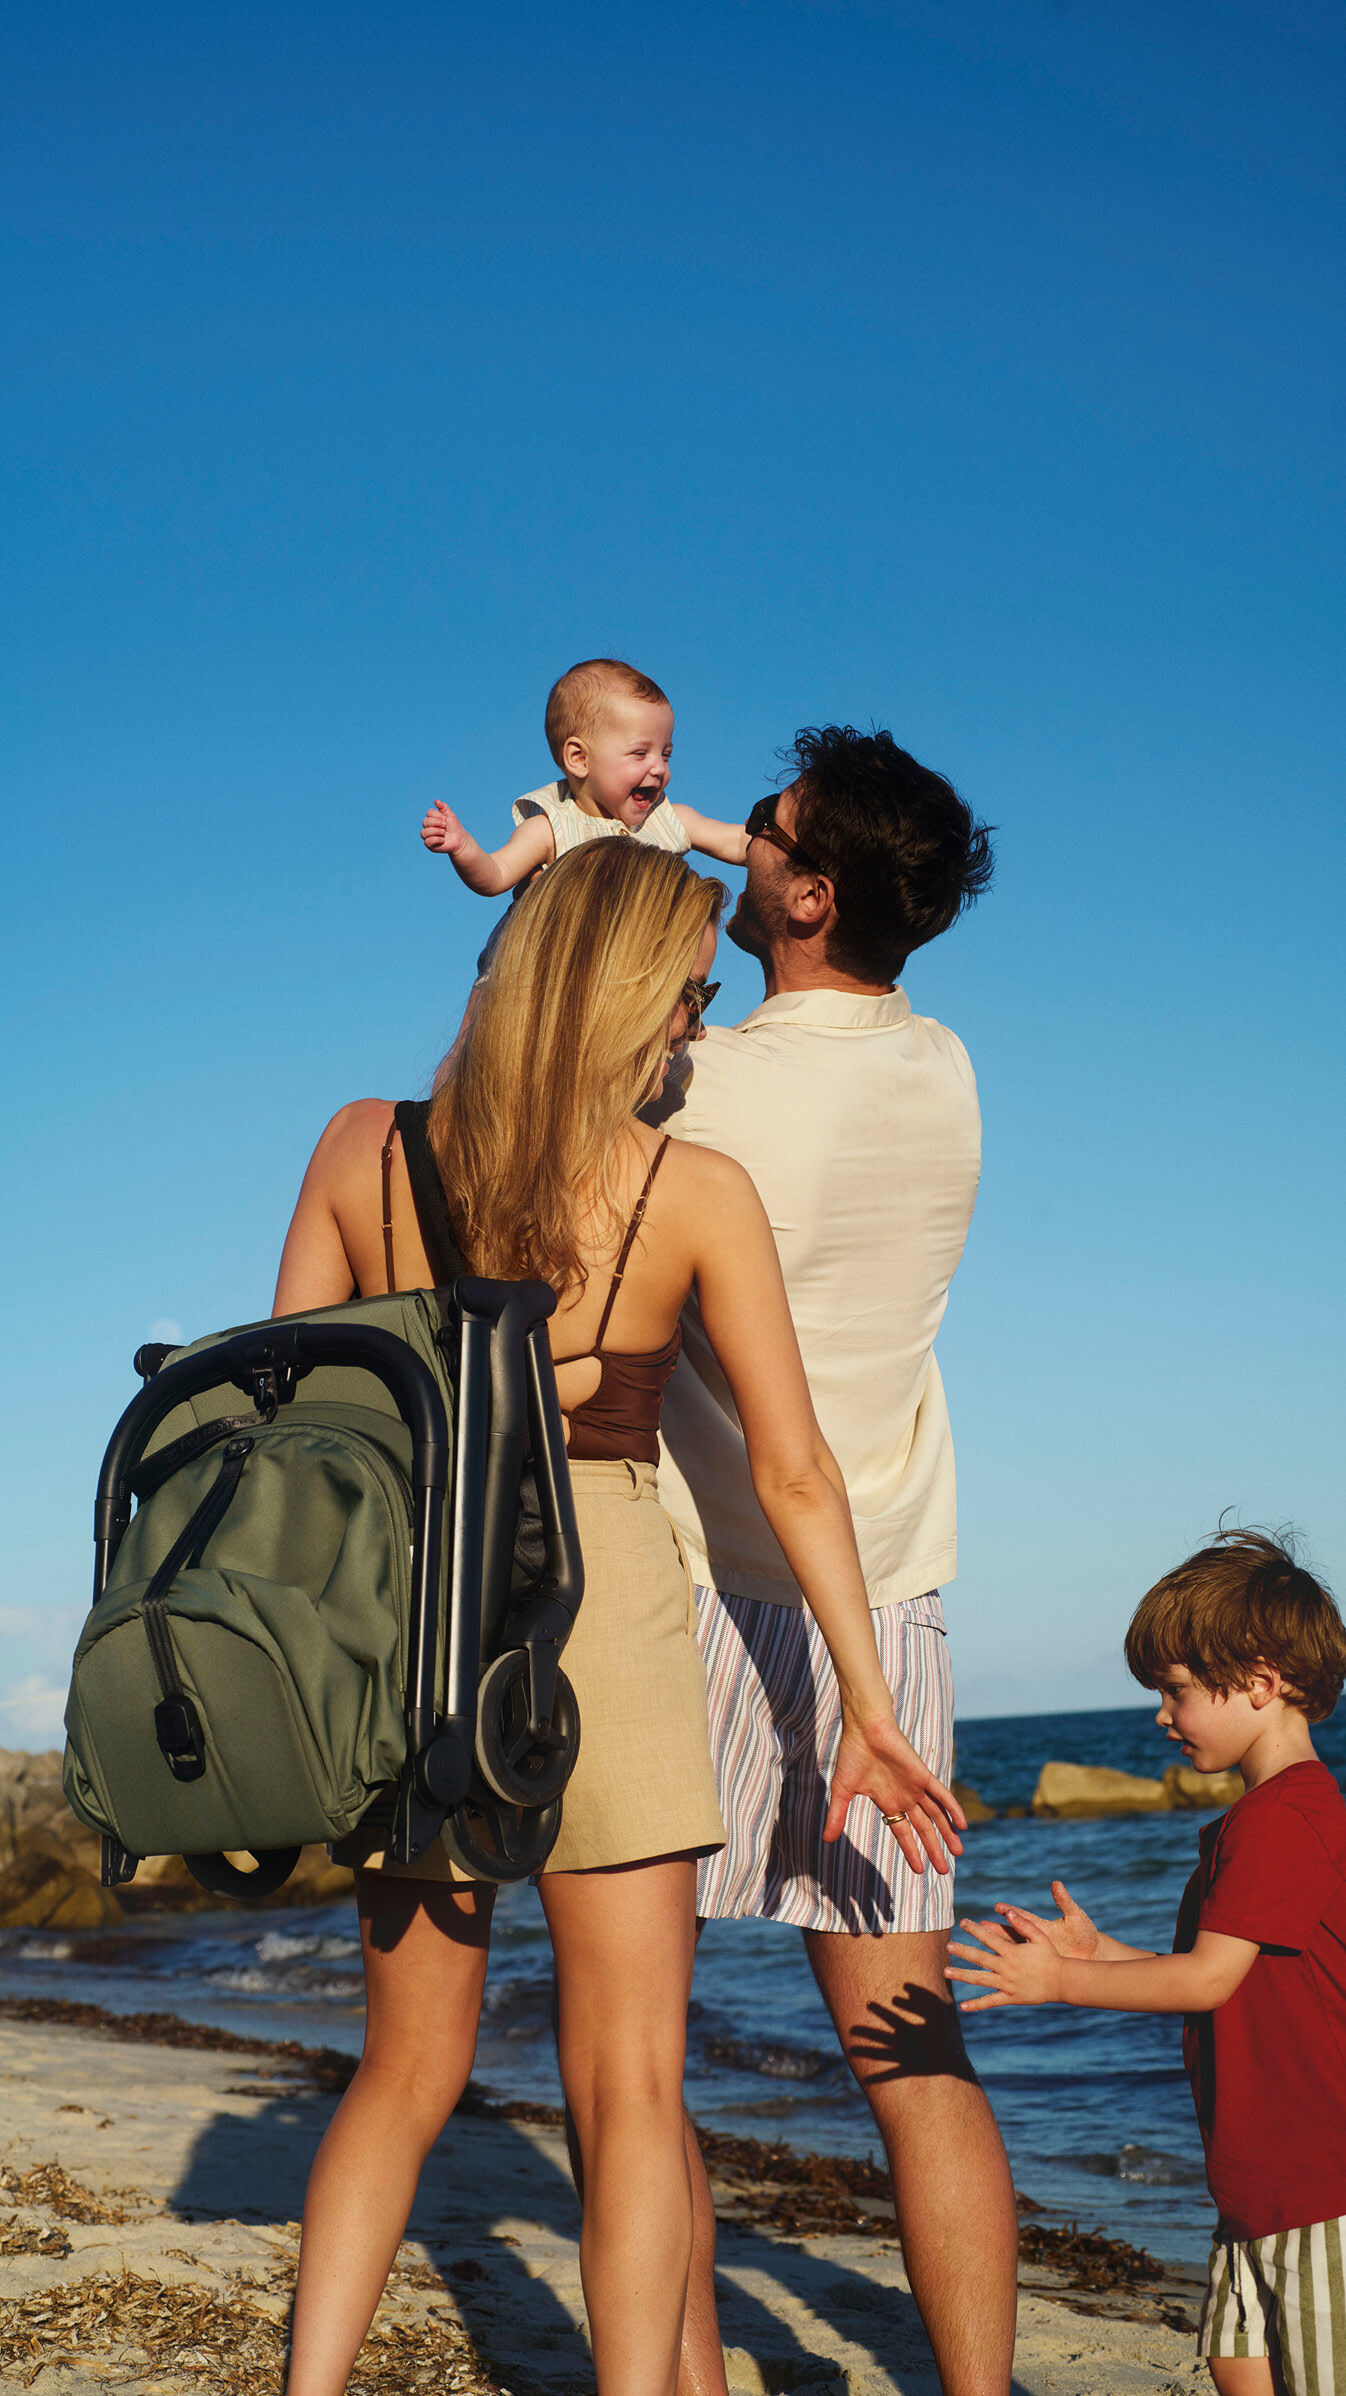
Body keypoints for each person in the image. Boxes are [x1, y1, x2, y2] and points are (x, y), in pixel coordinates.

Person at [272, 837, 967, 2396]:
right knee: (631, 2081)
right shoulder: (687, 1186)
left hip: (406, 1618)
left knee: (401, 2068)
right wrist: (864, 1701)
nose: (696, 1031)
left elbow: (301, 1426)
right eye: (689, 998)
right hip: (598, 1609)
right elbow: (793, 1474)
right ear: (631, 999)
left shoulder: (358, 1145)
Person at [651, 724, 1018, 2396]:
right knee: (910, 2048)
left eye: (765, 833)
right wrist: (751, 841)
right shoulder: (943, 1068)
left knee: (632, 2064)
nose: (737, 840)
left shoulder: (703, 1084)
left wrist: (615, 827)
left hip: (696, 1583)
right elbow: (821, 911)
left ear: (802, 888)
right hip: (884, 1591)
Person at [947, 1530, 1346, 2396]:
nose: (1160, 1716)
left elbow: (1204, 1979)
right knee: (1236, 2362)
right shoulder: (1262, 1822)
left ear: (1261, 1681)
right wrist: (1107, 1954)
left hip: (1320, 2191)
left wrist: (1061, 1982)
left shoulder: (1284, 1820)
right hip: (1257, 2190)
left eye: (1175, 1691)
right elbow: (1223, 1982)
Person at [419, 655, 749, 899]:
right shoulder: (551, 827)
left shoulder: (669, 819)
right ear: (579, 759)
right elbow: (496, 874)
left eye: (666, 753)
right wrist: (462, 847)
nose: (659, 768)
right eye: (640, 753)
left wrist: (793, 833)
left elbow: (736, 842)